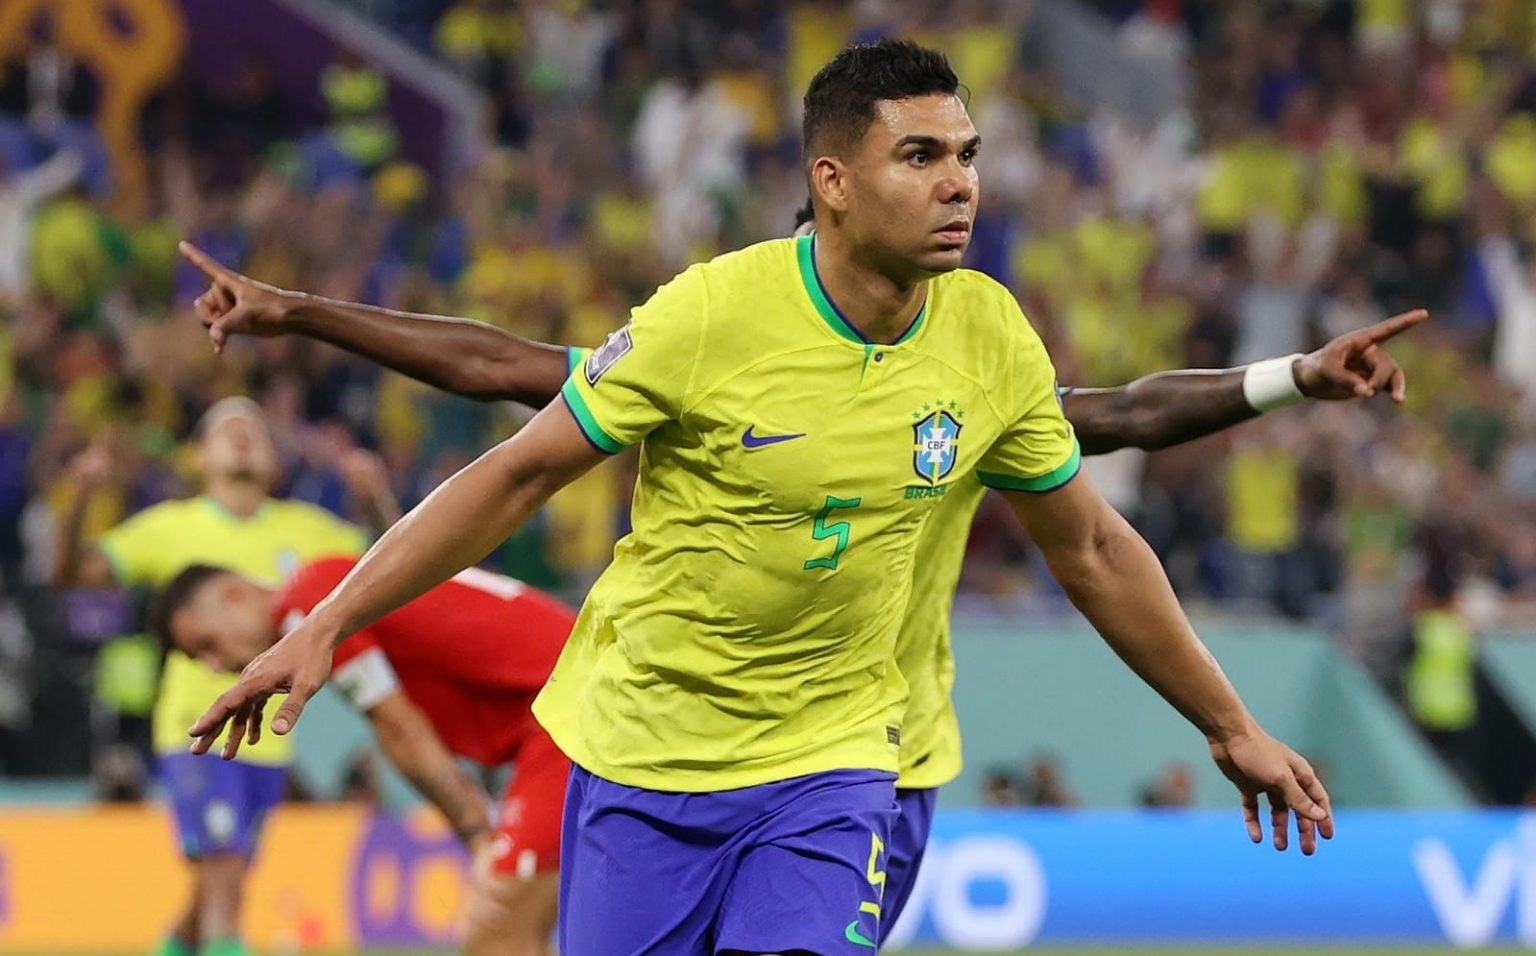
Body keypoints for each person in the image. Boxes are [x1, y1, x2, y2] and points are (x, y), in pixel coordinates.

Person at [189, 40, 1335, 954]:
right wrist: (330, 622)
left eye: (968, 154)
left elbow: (1093, 540)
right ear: (832, 182)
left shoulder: (989, 334)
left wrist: (1230, 723)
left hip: (839, 756)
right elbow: (517, 465)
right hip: (649, 751)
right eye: (922, 156)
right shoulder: (707, 318)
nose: (960, 182)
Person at [53, 398, 395, 956]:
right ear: (200, 458)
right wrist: (82, 496)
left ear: (275, 462)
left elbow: (392, 566)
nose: (241, 439)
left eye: (254, 432)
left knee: (212, 886)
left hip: (270, 741)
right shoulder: (170, 527)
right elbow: (72, 572)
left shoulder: (306, 530)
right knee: (226, 879)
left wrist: (374, 500)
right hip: (196, 731)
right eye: (226, 431)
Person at [153, 558, 574, 956]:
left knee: (496, 931)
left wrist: (477, 833)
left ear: (234, 594)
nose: (215, 666)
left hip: (566, 712)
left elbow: (399, 728)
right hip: (564, 704)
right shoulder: (332, 588)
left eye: (207, 645)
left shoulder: (310, 609)